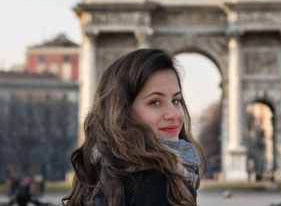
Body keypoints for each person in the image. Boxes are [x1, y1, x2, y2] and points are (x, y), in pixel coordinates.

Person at [63, 49, 205, 206]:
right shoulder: (159, 186)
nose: (173, 114)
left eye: (176, 100)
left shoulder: (100, 176)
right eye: (155, 102)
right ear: (122, 112)